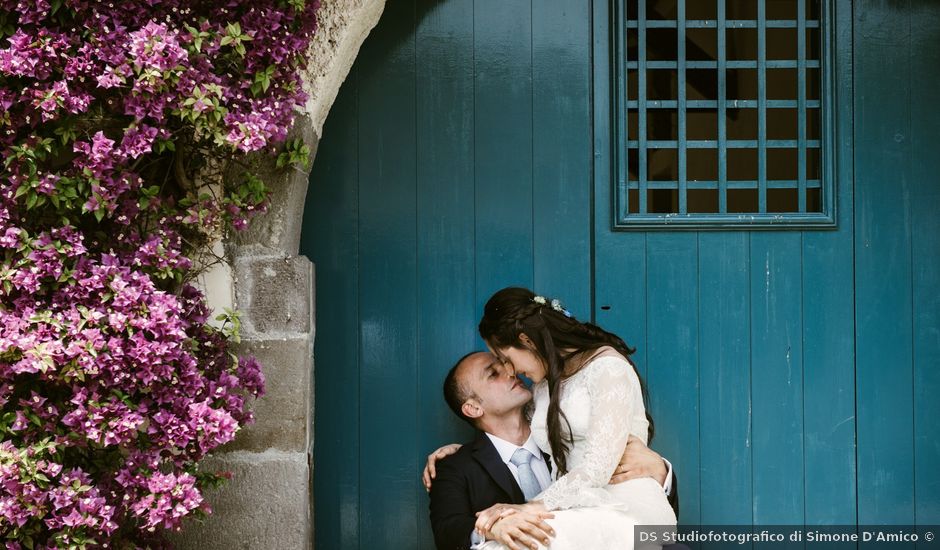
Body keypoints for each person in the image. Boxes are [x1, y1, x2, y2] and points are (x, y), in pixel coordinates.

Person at [475, 287, 676, 549]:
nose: (511, 371)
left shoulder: (608, 368)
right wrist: (454, 450)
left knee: (525, 541)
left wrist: (530, 508)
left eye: (506, 358)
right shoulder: (544, 386)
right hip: (576, 510)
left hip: (626, 507)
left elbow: (597, 468)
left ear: (527, 341)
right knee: (509, 543)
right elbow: (514, 428)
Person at [426, 351, 678, 550]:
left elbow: (641, 511)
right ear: (472, 408)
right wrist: (492, 527)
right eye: (493, 374)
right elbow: (448, 530)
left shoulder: (572, 442)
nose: (510, 371)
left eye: (505, 363)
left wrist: (661, 472)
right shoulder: (454, 465)